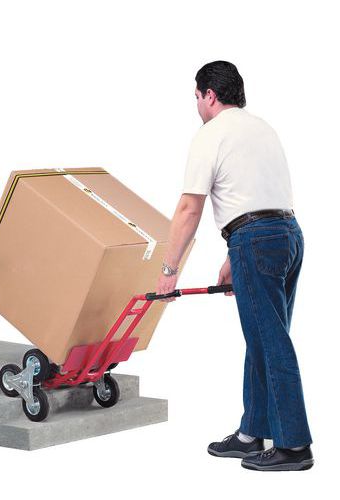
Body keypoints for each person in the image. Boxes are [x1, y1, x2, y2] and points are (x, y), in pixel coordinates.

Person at [155, 61, 313, 471]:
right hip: (287, 235)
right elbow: (256, 194)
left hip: (256, 241)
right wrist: (233, 255)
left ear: (210, 95)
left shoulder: (211, 134)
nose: (197, 105)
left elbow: (189, 208)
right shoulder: (262, 128)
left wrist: (169, 271)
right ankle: (251, 434)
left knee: (271, 342)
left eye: (197, 97)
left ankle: (294, 445)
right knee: (265, 338)